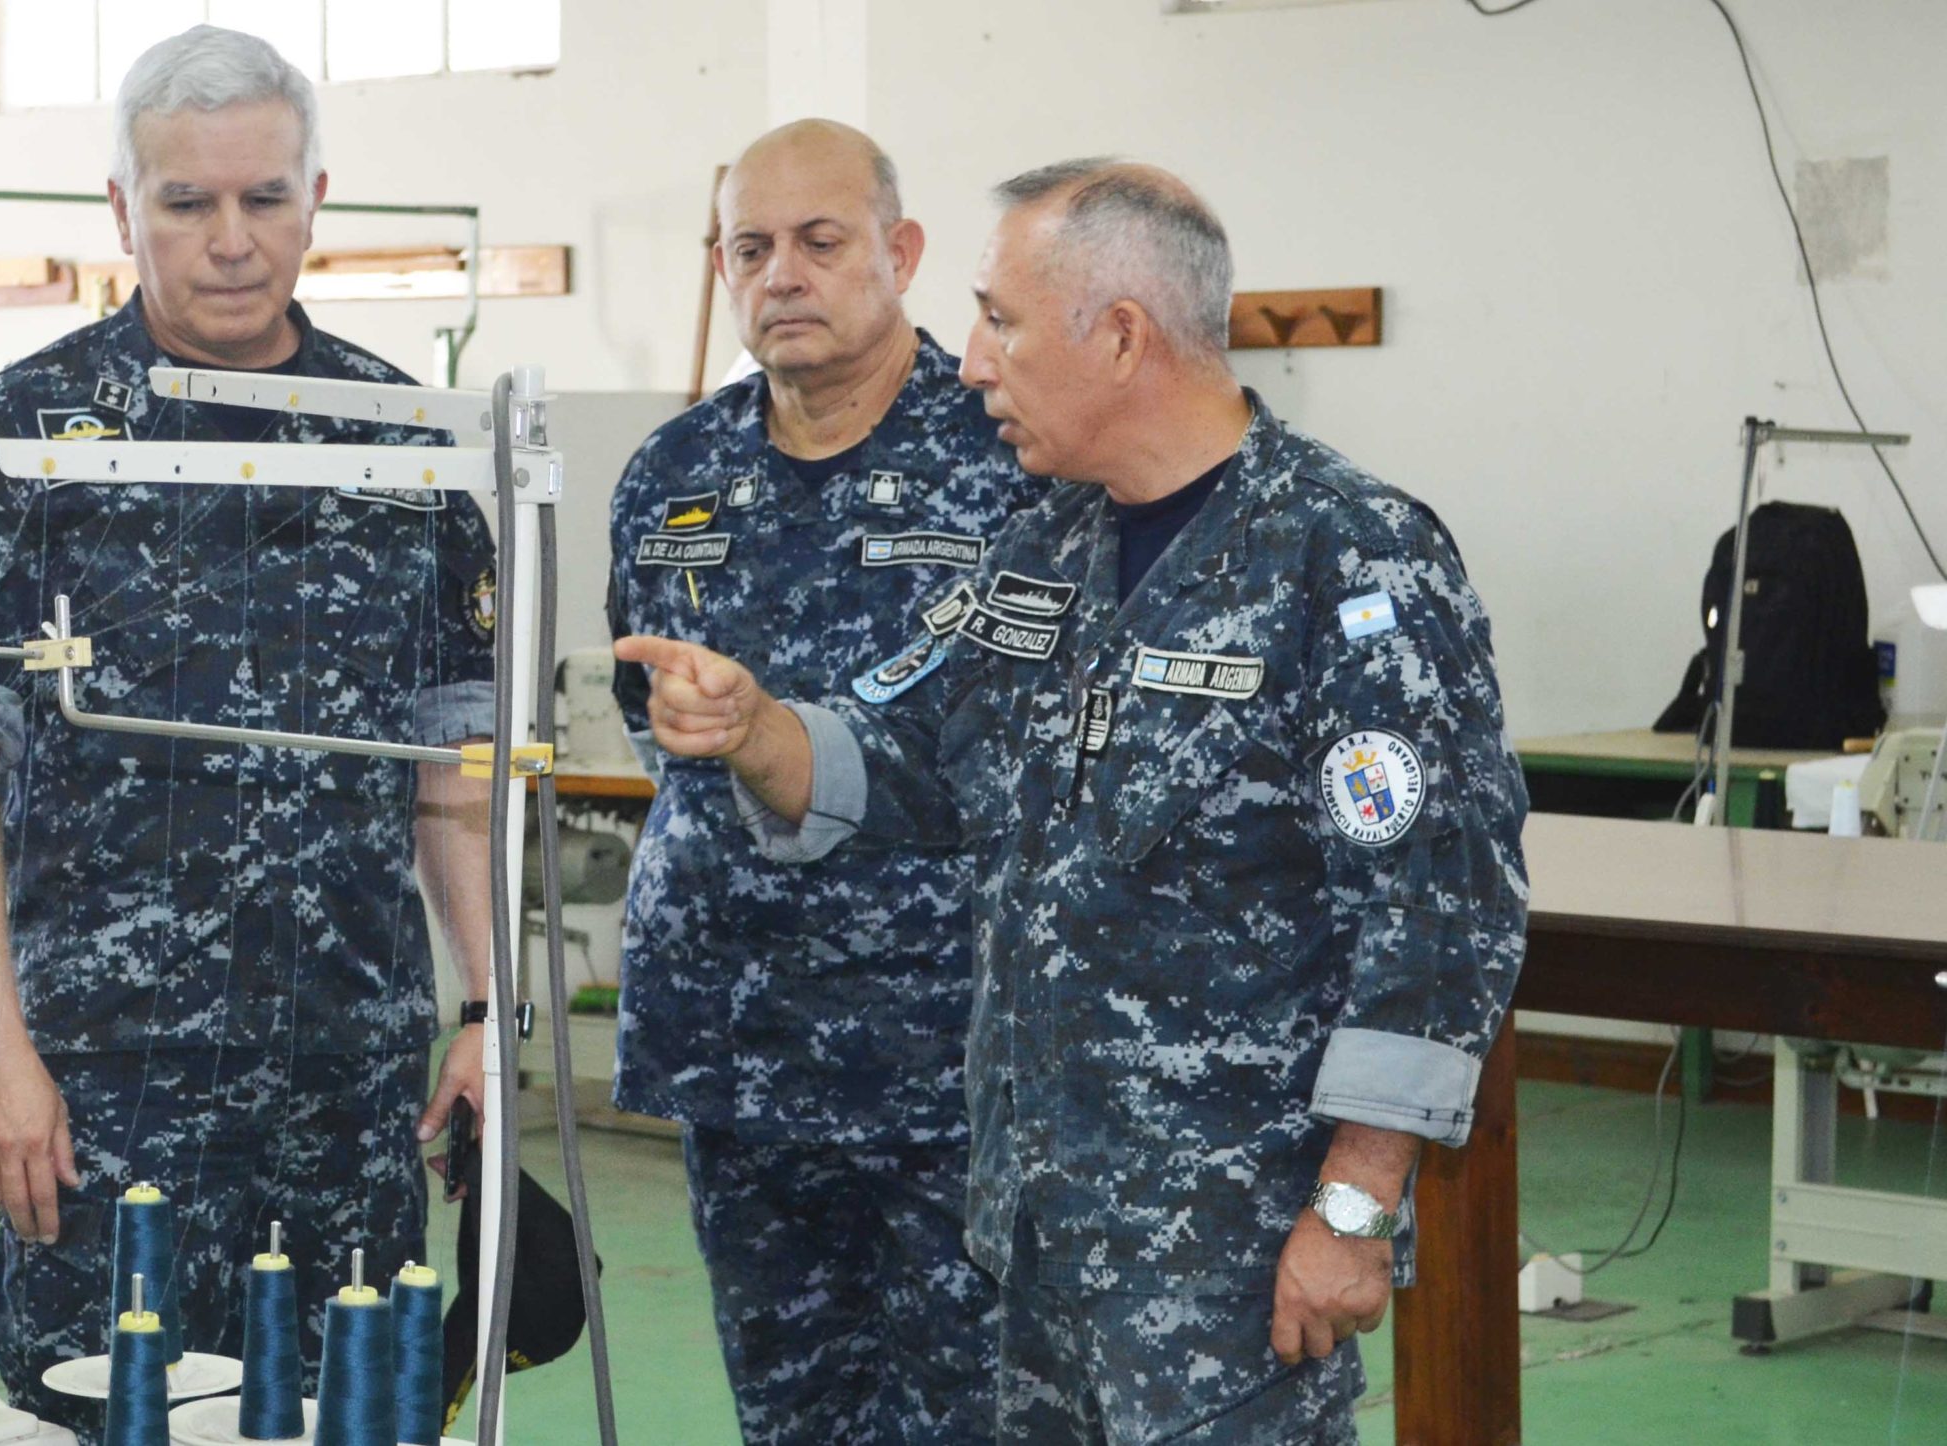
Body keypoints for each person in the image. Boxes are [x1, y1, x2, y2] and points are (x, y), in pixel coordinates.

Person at [619, 159, 1528, 1444]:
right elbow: (923, 760)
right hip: (1033, 1231)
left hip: (1225, 1250)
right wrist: (756, 729)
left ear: (1118, 336)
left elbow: (1438, 918)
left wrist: (1351, 1210)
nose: (975, 362)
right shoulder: (1047, 542)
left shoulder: (1347, 558)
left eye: (1001, 321)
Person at [0, 27, 495, 1440]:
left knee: (356, 1417)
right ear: (120, 209)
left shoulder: (404, 442)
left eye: (264, 199)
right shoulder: (25, 438)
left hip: (350, 1102)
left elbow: (450, 759)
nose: (229, 241)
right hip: (105, 1099)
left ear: (315, 197)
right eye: (186, 203)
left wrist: (484, 1006)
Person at [604, 119, 1034, 1443]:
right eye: (751, 247)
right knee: (790, 1413)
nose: (781, 272)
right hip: (740, 1052)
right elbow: (646, 724)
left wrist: (782, 737)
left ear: (901, 255)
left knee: (975, 1411)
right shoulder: (676, 474)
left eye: (820, 240)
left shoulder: (1007, 453)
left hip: (945, 1055)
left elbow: (1029, 749)